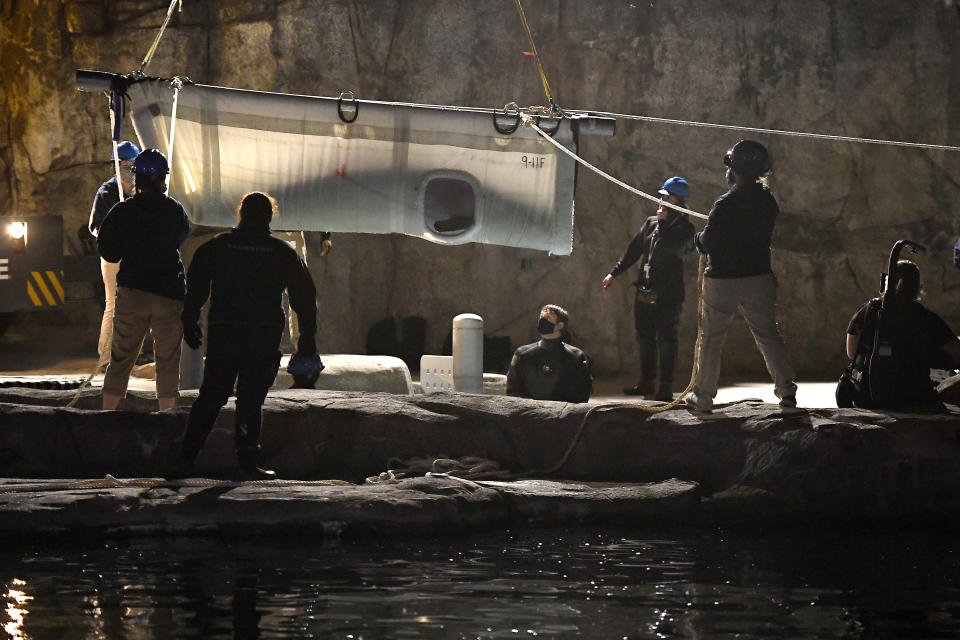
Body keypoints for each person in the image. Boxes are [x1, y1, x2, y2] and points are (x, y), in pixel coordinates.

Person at [178, 191, 319, 480]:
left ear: (240, 214)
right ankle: (247, 462)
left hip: (225, 332)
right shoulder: (281, 253)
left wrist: (190, 319)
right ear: (270, 217)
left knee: (213, 394)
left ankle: (186, 457)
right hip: (261, 335)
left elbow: (195, 286)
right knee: (251, 398)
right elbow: (304, 299)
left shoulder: (219, 247)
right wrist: (307, 339)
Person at [686, 140, 797, 413]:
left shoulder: (724, 204)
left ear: (734, 170)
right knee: (768, 335)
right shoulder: (768, 202)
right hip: (758, 277)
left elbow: (708, 241)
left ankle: (703, 398)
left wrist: (698, 239)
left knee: (712, 339)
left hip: (722, 280)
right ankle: (787, 392)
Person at [97, 149, 191, 411]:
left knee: (122, 357)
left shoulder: (122, 211)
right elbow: (180, 238)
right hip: (168, 292)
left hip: (132, 290)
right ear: (163, 179)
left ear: (136, 178)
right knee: (168, 359)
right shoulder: (174, 210)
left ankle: (108, 414)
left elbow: (109, 251)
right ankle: (167, 414)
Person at [602, 177, 695, 401]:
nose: (662, 200)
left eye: (667, 197)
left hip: (668, 294)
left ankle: (665, 386)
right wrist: (614, 272)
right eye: (661, 196)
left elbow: (676, 250)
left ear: (679, 201)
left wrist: (663, 223)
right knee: (645, 337)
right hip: (645, 289)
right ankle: (646, 382)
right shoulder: (651, 222)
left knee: (666, 338)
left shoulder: (685, 228)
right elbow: (634, 250)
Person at [841, 260, 960, 410]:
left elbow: (852, 353)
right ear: (918, 287)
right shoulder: (926, 318)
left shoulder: (867, 312)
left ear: (885, 282)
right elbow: (957, 354)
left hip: (866, 396)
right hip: (913, 398)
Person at [88, 140, 153, 365]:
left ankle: (135, 355)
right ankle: (107, 359)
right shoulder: (106, 192)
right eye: (124, 164)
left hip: (137, 258)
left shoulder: (141, 193)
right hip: (115, 258)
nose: (128, 167)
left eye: (131, 164)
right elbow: (96, 226)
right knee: (114, 305)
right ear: (116, 165)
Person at [507, 305, 592, 403]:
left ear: (560, 325)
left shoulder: (575, 357)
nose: (542, 321)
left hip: (563, 414)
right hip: (530, 413)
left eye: (547, 318)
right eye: (541, 317)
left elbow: (582, 393)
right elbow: (513, 389)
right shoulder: (523, 354)